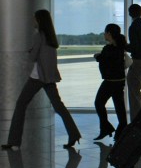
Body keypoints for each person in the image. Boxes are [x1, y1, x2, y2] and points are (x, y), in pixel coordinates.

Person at [2, 9, 81, 150]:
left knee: (21, 104)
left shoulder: (39, 36)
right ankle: (74, 134)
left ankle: (14, 142)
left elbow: (33, 58)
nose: (33, 21)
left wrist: (31, 51)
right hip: (48, 77)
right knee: (59, 107)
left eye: (34, 19)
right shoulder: (51, 37)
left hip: (38, 77)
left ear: (39, 21)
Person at [93, 23, 129, 141]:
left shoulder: (109, 48)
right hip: (119, 81)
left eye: (105, 32)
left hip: (110, 82)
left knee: (99, 103)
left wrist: (97, 56)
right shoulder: (120, 47)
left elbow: (105, 60)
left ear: (109, 33)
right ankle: (122, 130)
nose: (104, 35)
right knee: (119, 107)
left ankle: (106, 127)